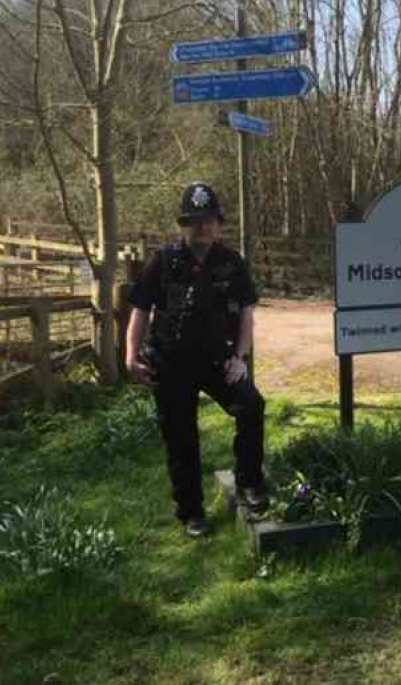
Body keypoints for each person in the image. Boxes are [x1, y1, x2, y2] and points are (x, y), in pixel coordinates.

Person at [125, 181, 268, 537]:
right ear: (183, 225)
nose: (201, 227)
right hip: (171, 363)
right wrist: (130, 356)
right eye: (193, 221)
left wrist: (240, 358)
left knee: (251, 404)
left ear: (219, 224)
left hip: (219, 360)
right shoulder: (163, 260)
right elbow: (140, 311)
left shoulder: (231, 263)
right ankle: (191, 512)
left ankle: (249, 482)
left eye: (207, 220)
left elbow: (247, 314)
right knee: (181, 438)